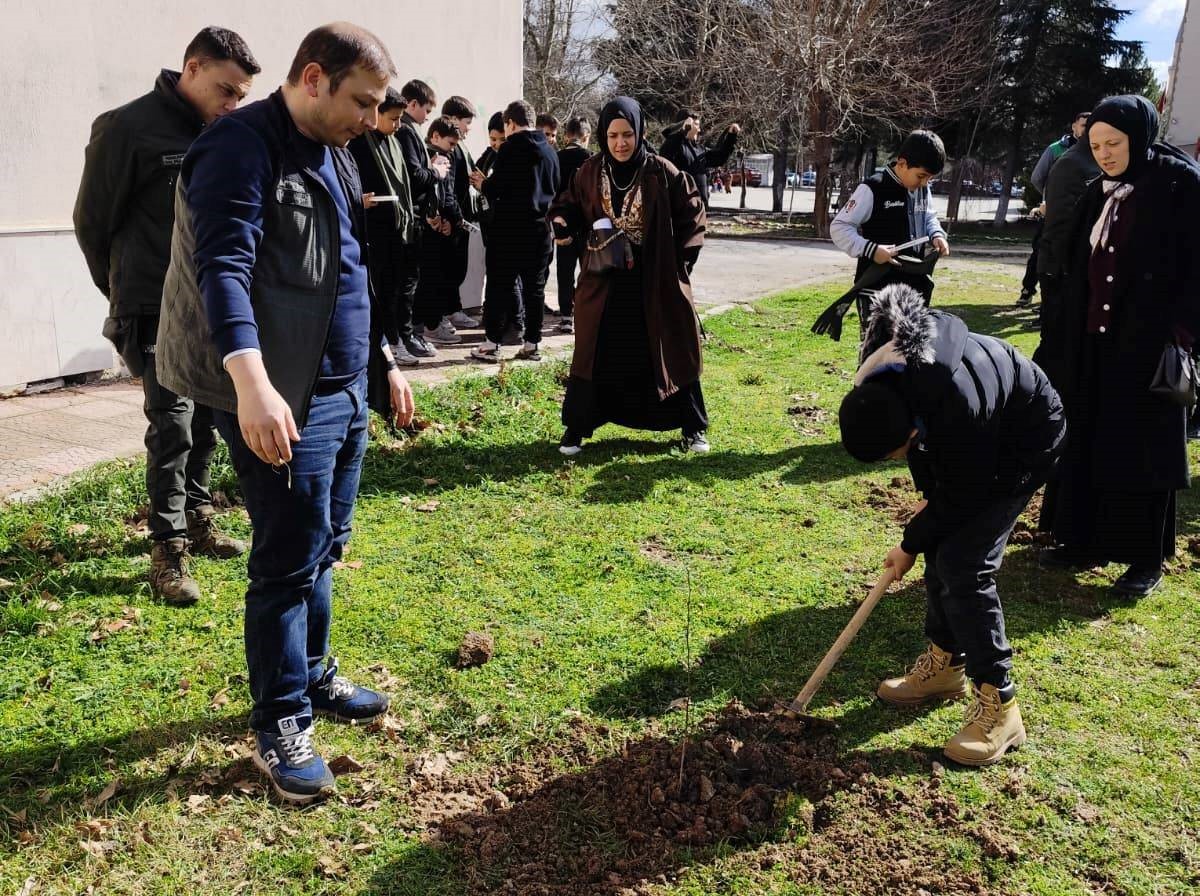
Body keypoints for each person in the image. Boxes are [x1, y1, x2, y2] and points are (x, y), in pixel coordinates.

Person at [155, 23, 416, 804]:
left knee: (324, 544)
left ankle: (313, 672)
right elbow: (222, 268)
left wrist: (385, 364)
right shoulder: (240, 146)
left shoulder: (333, 150)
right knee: (285, 560)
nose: (372, 120)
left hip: (340, 389)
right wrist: (253, 385)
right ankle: (280, 722)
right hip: (281, 395)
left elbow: (349, 266)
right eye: (362, 102)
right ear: (312, 78)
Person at [839, 284, 1065, 766]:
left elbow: (966, 490)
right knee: (944, 548)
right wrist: (926, 513)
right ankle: (945, 666)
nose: (897, 460)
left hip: (1023, 442)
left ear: (913, 430)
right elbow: (930, 463)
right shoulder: (891, 377)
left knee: (965, 566)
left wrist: (911, 541)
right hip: (977, 440)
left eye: (894, 452)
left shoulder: (957, 402)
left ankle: (1001, 708)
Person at [73, 27, 259, 606]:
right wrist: (119, 289)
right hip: (152, 304)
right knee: (173, 424)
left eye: (241, 97)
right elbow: (92, 222)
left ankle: (199, 516)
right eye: (226, 90)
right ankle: (167, 549)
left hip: (210, 303)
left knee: (207, 417)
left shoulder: (224, 133)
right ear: (193, 68)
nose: (232, 104)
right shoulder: (126, 128)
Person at [1041, 95, 1200, 597]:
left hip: (1149, 346)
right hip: (1093, 344)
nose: (1105, 154)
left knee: (1143, 451)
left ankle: (1144, 559)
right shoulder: (1095, 192)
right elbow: (1074, 267)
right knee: (1086, 438)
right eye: (1096, 145)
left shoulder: (1180, 186)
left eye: (1114, 143)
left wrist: (1180, 334)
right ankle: (1082, 539)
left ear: (1139, 137)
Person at [548, 97, 709, 455]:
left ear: (639, 132)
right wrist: (562, 222)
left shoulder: (661, 172)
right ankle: (577, 427)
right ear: (603, 137)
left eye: (627, 134)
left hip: (653, 282)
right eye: (612, 135)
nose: (620, 143)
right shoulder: (589, 172)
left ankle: (692, 427)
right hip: (604, 280)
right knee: (593, 351)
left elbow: (693, 214)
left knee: (669, 346)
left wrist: (680, 262)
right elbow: (568, 205)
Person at [829, 130, 951, 330]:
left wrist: (936, 235)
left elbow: (929, 216)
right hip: (876, 290)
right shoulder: (872, 189)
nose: (924, 183)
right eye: (921, 176)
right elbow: (839, 227)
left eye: (929, 178)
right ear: (902, 163)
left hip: (914, 287)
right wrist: (871, 249)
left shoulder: (922, 188)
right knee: (877, 355)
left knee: (909, 351)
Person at [471, 100, 559, 363]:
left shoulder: (511, 148)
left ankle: (491, 344)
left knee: (499, 286)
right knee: (535, 289)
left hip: (509, 229)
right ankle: (532, 344)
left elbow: (497, 188)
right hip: (541, 229)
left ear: (510, 123)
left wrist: (482, 184)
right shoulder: (550, 150)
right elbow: (555, 185)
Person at [348, 87, 419, 366]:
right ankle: (384, 342)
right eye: (393, 118)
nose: (398, 125)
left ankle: (394, 339)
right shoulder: (357, 142)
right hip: (370, 230)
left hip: (395, 230)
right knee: (377, 292)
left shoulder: (394, 142)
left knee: (394, 289)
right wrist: (358, 200)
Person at [1031, 135, 1101, 384]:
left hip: (1067, 267)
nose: (1106, 151)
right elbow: (1063, 225)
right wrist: (1067, 270)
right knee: (1055, 341)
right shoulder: (1073, 163)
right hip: (1060, 268)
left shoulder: (1087, 161)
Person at [394, 79, 453, 361]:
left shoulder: (409, 130)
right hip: (412, 218)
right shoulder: (405, 131)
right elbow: (414, 176)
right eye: (426, 108)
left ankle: (410, 334)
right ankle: (405, 336)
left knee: (411, 282)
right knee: (407, 284)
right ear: (412, 104)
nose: (429, 115)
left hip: (419, 216)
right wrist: (437, 173)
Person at [1018, 113, 1091, 307]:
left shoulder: (1095, 150)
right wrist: (1052, 198)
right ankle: (1028, 290)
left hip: (1078, 217)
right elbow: (1037, 177)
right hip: (1051, 214)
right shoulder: (1056, 149)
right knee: (1041, 254)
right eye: (1083, 125)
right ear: (1074, 126)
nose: (1086, 129)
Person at [414, 117, 466, 346]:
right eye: (450, 143)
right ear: (434, 136)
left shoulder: (447, 156)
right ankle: (431, 327)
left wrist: (451, 221)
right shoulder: (427, 155)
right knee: (430, 279)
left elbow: (449, 193)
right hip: (428, 227)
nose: (452, 148)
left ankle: (432, 323)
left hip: (441, 224)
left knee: (439, 277)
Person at [442, 95, 484, 330]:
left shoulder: (461, 146)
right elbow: (447, 186)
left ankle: (454, 309)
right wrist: (452, 217)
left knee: (458, 268)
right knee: (448, 270)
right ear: (454, 119)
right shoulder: (448, 147)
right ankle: (443, 314)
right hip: (453, 218)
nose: (468, 129)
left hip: (463, 218)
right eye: (466, 123)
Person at [553, 116, 593, 333]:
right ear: (586, 136)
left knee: (564, 272)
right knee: (586, 272)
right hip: (586, 226)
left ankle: (566, 315)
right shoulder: (591, 159)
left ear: (566, 135)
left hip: (562, 224)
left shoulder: (555, 158)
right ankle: (584, 312)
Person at [659, 113, 740, 207]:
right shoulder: (674, 147)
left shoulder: (700, 149)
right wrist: (683, 131)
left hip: (701, 209)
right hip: (681, 210)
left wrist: (731, 136)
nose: (699, 129)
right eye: (696, 125)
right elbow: (666, 153)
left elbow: (719, 158)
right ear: (685, 124)